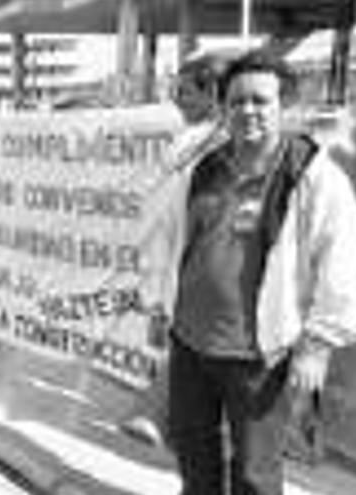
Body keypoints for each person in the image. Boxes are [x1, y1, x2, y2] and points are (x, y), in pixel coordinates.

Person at [165, 49, 356, 495]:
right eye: (237, 101)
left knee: (255, 475)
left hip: (259, 357)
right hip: (190, 344)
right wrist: (158, 306)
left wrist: (317, 345)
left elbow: (345, 262)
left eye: (261, 101)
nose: (248, 111)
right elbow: (172, 242)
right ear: (223, 108)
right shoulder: (205, 168)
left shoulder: (313, 175)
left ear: (286, 107)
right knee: (193, 455)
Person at [121, 48, 237, 447]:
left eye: (185, 91)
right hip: (179, 265)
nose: (176, 99)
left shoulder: (221, 144)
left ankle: (163, 416)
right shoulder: (192, 143)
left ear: (213, 94)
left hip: (202, 271)